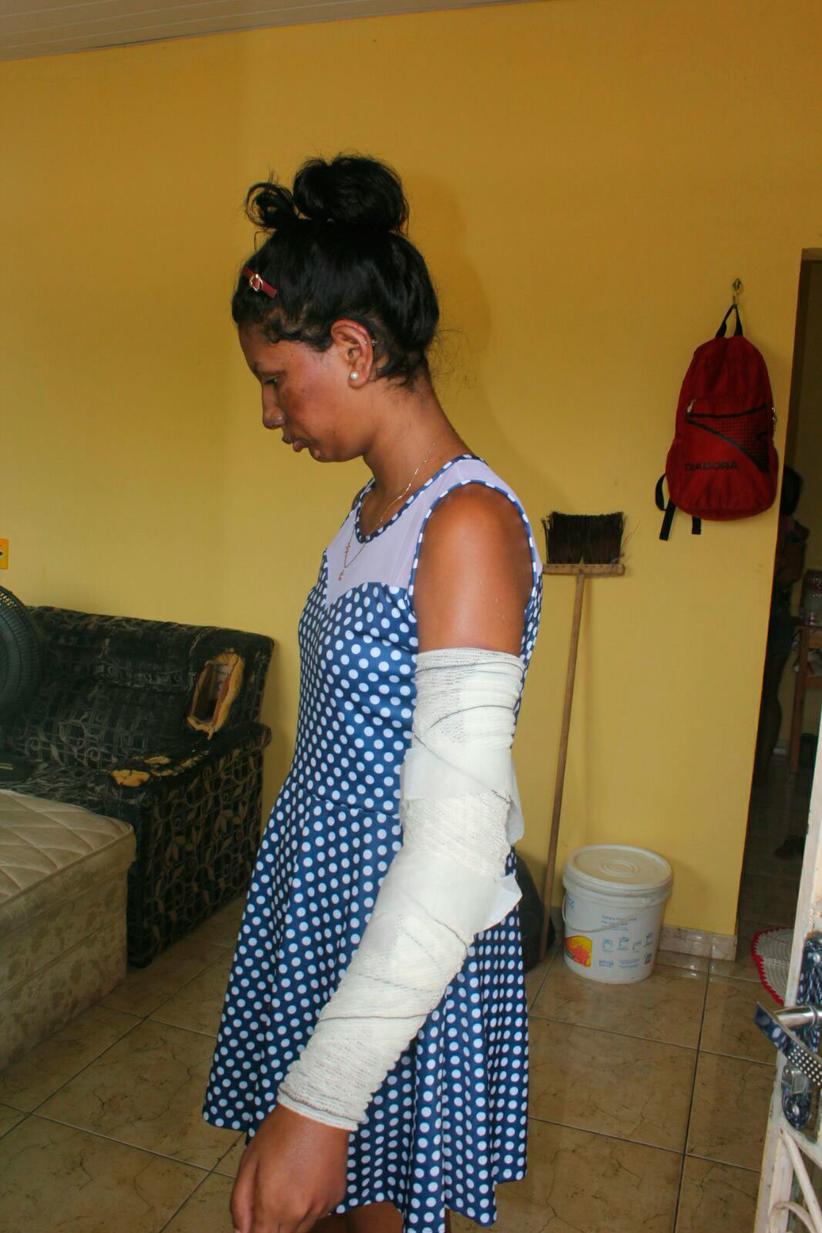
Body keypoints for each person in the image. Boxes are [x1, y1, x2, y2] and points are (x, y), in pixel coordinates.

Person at [202, 155, 543, 1233]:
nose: (270, 413)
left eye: (276, 378)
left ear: (353, 349)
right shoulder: (369, 514)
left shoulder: (466, 526)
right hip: (323, 901)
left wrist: (326, 1091)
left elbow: (456, 845)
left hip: (401, 937)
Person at [754, 465, 808, 786]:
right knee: (764, 695)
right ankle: (756, 769)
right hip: (771, 615)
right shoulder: (787, 530)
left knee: (766, 695)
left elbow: (789, 574)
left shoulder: (787, 532)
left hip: (773, 617)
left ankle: (759, 770)